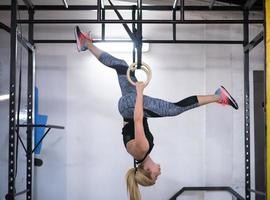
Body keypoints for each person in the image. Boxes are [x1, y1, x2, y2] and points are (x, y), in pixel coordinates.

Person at [74, 26, 239, 200]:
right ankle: (86, 44)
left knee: (174, 109)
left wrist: (139, 93)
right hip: (127, 109)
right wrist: (130, 104)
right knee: (121, 66)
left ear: (146, 170)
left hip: (132, 108)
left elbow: (137, 120)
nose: (159, 173)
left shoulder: (142, 150)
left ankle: (218, 96)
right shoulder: (139, 154)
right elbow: (127, 125)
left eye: (155, 175)